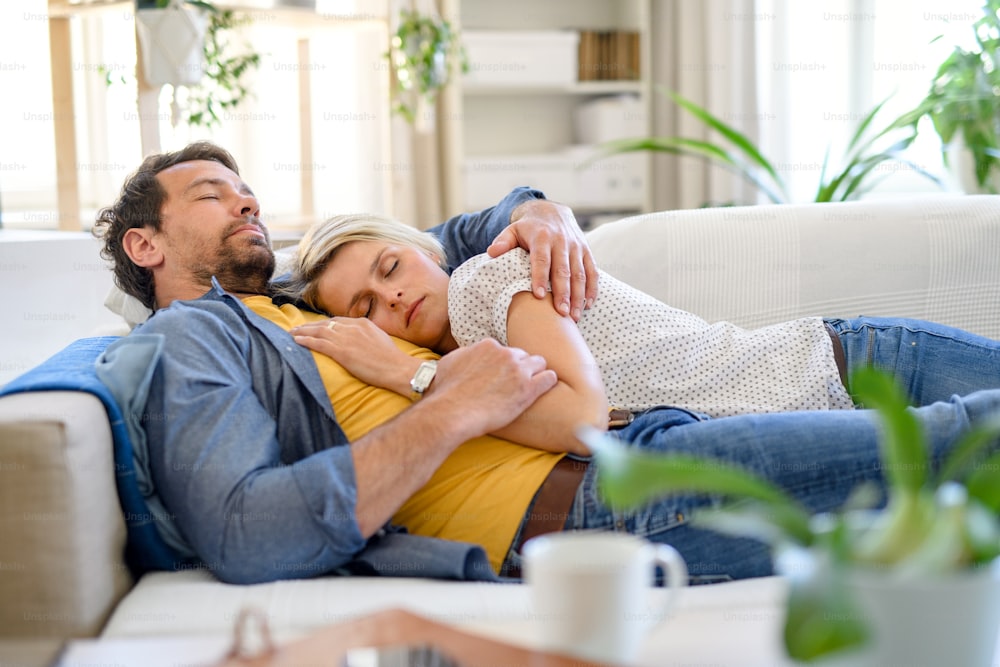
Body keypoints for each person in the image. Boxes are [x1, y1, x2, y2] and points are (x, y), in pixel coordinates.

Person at [94, 141, 1000, 587]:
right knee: (950, 450)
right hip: (591, 507)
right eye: (214, 197)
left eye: (248, 193)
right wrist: (446, 405)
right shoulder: (188, 342)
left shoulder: (301, 296)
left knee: (948, 468)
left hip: (634, 451)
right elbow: (249, 532)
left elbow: (448, 245)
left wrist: (542, 212)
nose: (247, 204)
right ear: (145, 241)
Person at [281, 213, 1000, 451]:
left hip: (848, 367)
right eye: (364, 306)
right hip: (822, 404)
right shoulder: (474, 358)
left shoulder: (481, 282)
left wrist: (410, 377)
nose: (392, 295)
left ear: (424, 247)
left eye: (389, 265)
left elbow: (583, 416)